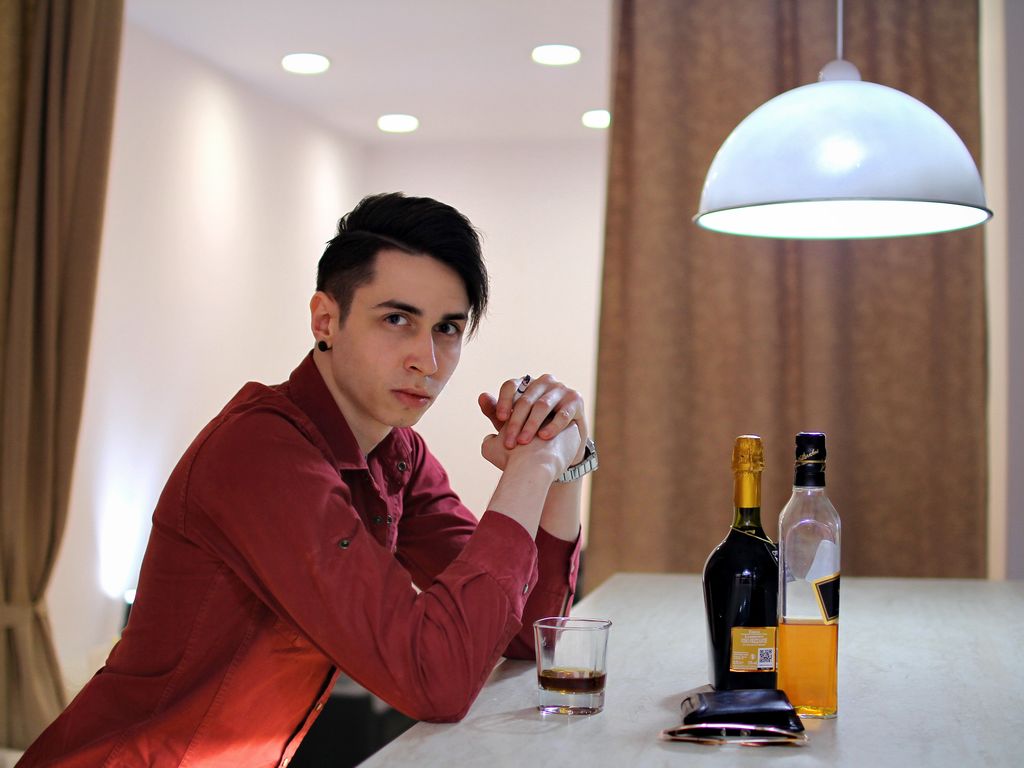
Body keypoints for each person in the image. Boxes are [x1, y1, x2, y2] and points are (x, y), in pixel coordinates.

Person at [18, 193, 595, 767]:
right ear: (326, 320)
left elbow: (528, 638)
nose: (428, 359)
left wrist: (564, 466)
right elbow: (435, 680)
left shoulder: (397, 454)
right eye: (397, 319)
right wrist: (532, 467)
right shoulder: (261, 454)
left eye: (447, 328)